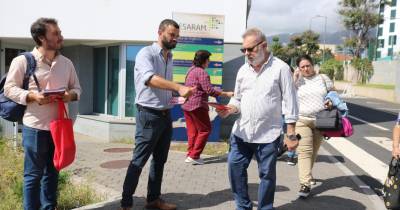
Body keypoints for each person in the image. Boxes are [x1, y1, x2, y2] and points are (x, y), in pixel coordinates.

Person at [217, 28, 299, 210]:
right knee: (235, 169)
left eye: (250, 49)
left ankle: (265, 207)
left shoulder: (281, 69)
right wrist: (230, 108)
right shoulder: (243, 70)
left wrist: (291, 134)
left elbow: (290, 102)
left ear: (263, 46)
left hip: (268, 135)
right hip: (241, 132)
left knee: (267, 176)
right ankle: (243, 206)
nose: (247, 54)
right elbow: (237, 98)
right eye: (243, 50)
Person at [4, 18, 81, 210]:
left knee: (53, 172)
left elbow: (77, 89)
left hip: (59, 128)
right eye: (55, 33)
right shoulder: (22, 61)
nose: (60, 36)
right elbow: (9, 89)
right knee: (33, 175)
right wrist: (31, 96)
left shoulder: (66, 63)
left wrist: (68, 96)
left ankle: (49, 207)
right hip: (35, 128)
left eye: (59, 32)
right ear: (41, 38)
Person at [120, 19, 194, 210]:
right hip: (148, 116)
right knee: (139, 161)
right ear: (160, 32)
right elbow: (151, 80)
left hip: (165, 114)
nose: (175, 39)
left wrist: (176, 97)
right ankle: (126, 204)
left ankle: (153, 200)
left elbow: (163, 88)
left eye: (177, 36)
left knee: (160, 160)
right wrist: (178, 87)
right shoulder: (146, 53)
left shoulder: (169, 57)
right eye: (172, 35)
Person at [181, 50, 233, 165]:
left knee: (192, 131)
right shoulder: (202, 73)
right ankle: (195, 155)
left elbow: (202, 87)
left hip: (187, 105)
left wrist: (214, 89)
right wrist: (226, 94)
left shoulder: (191, 70)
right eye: (208, 59)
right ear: (204, 60)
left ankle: (190, 154)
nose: (209, 62)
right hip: (198, 105)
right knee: (205, 129)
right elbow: (209, 90)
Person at [293, 55, 334, 198]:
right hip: (302, 120)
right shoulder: (297, 80)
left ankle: (307, 176)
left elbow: (333, 94)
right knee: (304, 151)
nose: (306, 69)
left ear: (313, 65)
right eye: (302, 67)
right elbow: (288, 95)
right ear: (299, 68)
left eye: (308, 65)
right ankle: (305, 184)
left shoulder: (323, 78)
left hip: (321, 121)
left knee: (314, 152)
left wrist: (330, 101)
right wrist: (294, 78)